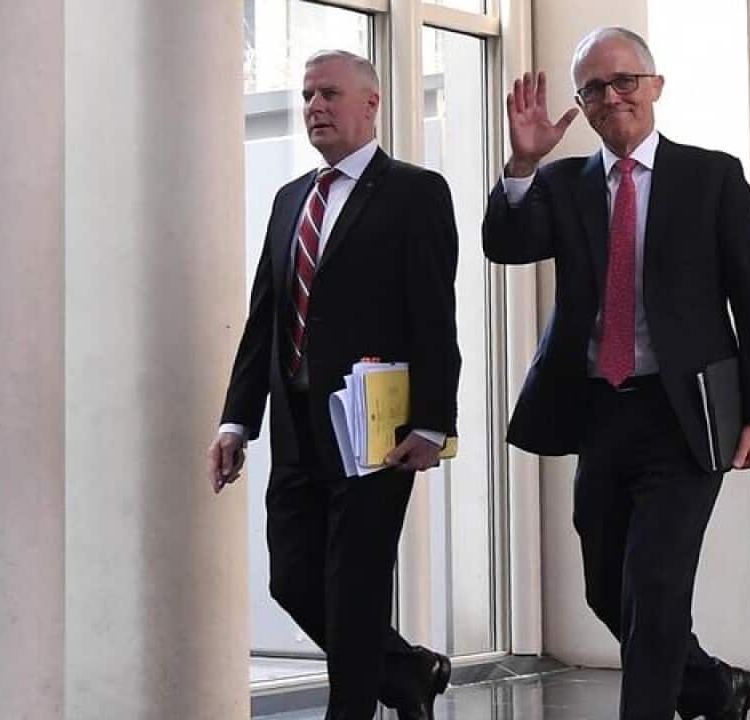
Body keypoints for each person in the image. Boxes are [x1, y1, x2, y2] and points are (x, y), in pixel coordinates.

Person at [482, 27, 750, 720]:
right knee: (604, 588)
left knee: (654, 588)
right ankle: (713, 687)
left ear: (655, 86)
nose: (612, 96)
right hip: (603, 412)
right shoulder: (563, 183)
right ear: (582, 107)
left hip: (688, 417)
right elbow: (507, 244)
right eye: (594, 88)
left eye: (624, 81)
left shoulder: (712, 177)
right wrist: (522, 164)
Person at [207, 50, 460, 720]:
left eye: (329, 94)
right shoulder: (292, 199)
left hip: (375, 430)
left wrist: (433, 423)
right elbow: (265, 317)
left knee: (356, 585)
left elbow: (435, 317)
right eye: (307, 95)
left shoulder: (416, 192)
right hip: (294, 426)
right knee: (293, 578)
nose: (315, 106)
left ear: (371, 104)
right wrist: (236, 421)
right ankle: (406, 670)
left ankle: (352, 710)